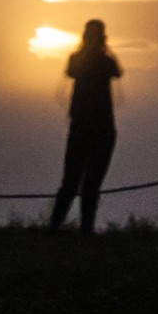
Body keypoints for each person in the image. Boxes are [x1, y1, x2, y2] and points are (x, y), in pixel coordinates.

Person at [50, 19, 121, 233]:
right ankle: (85, 229)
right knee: (90, 183)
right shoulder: (105, 61)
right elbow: (116, 72)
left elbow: (71, 72)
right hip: (102, 128)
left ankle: (55, 227)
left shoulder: (77, 58)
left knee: (71, 181)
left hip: (81, 126)